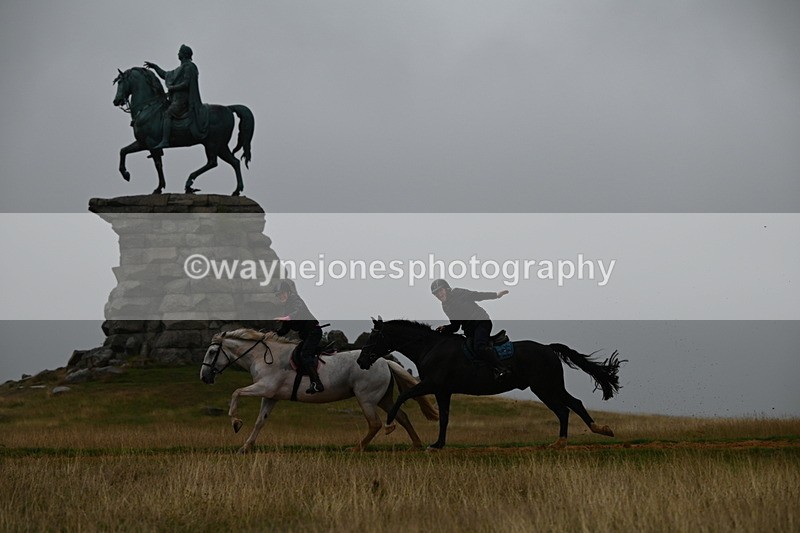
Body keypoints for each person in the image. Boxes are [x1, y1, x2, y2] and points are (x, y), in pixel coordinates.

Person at [430, 279, 511, 379]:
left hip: (481, 322)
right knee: (466, 350)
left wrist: (496, 295)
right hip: (469, 330)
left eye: (440, 291)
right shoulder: (445, 306)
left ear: (446, 288)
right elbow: (455, 326)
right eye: (436, 293)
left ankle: (502, 369)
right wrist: (445, 328)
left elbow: (477, 295)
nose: (439, 294)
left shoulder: (458, 292)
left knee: (479, 347)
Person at [144, 44, 209, 149]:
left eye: (180, 52)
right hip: (175, 99)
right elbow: (165, 75)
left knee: (168, 113)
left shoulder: (189, 66)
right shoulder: (180, 69)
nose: (178, 53)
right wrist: (155, 67)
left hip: (183, 100)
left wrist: (173, 88)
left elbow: (186, 83)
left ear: (184, 54)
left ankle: (165, 141)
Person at [273, 280, 324, 394]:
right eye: (278, 295)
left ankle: (317, 383)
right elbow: (285, 329)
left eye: (282, 293)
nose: (281, 296)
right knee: (296, 354)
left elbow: (298, 311)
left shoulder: (296, 300)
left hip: (314, 332)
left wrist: (289, 317)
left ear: (288, 292)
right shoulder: (286, 308)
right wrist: (273, 333)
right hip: (306, 336)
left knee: (305, 355)